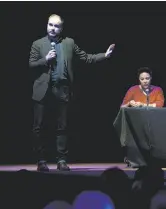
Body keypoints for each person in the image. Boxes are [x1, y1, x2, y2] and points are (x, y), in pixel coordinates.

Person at [29, 14, 115, 172]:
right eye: (50, 25)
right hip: (43, 90)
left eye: (56, 26)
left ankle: (61, 160)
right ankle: (41, 160)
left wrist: (105, 55)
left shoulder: (69, 43)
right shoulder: (38, 44)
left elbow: (86, 58)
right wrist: (46, 59)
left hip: (62, 89)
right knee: (39, 127)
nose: (53, 29)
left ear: (61, 28)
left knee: (62, 127)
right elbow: (31, 64)